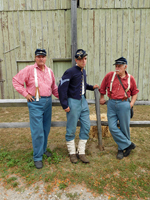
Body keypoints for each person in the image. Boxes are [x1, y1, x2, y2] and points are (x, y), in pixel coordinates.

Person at [12, 49, 59, 169]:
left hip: (48, 102)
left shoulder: (49, 71)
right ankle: (37, 157)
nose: (41, 58)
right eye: (39, 56)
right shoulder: (29, 69)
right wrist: (26, 94)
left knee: (45, 129)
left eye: (43, 56)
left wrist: (63, 98)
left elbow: (54, 88)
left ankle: (42, 150)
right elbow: (16, 81)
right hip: (35, 103)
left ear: (46, 58)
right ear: (35, 57)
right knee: (37, 131)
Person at [58, 49, 99, 164]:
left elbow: (82, 85)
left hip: (83, 101)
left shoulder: (83, 71)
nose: (83, 61)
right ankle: (72, 153)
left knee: (86, 126)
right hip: (73, 102)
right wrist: (64, 104)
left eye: (85, 59)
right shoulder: (70, 71)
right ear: (76, 60)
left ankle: (81, 152)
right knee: (71, 128)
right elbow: (62, 88)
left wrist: (92, 87)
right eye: (80, 59)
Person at [99, 57, 139, 160]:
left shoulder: (130, 78)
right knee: (112, 127)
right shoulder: (109, 76)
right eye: (116, 66)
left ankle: (121, 149)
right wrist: (102, 97)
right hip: (111, 103)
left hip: (124, 104)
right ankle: (129, 145)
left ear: (125, 66)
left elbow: (134, 93)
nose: (117, 68)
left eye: (119, 66)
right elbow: (102, 87)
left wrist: (131, 104)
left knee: (124, 127)